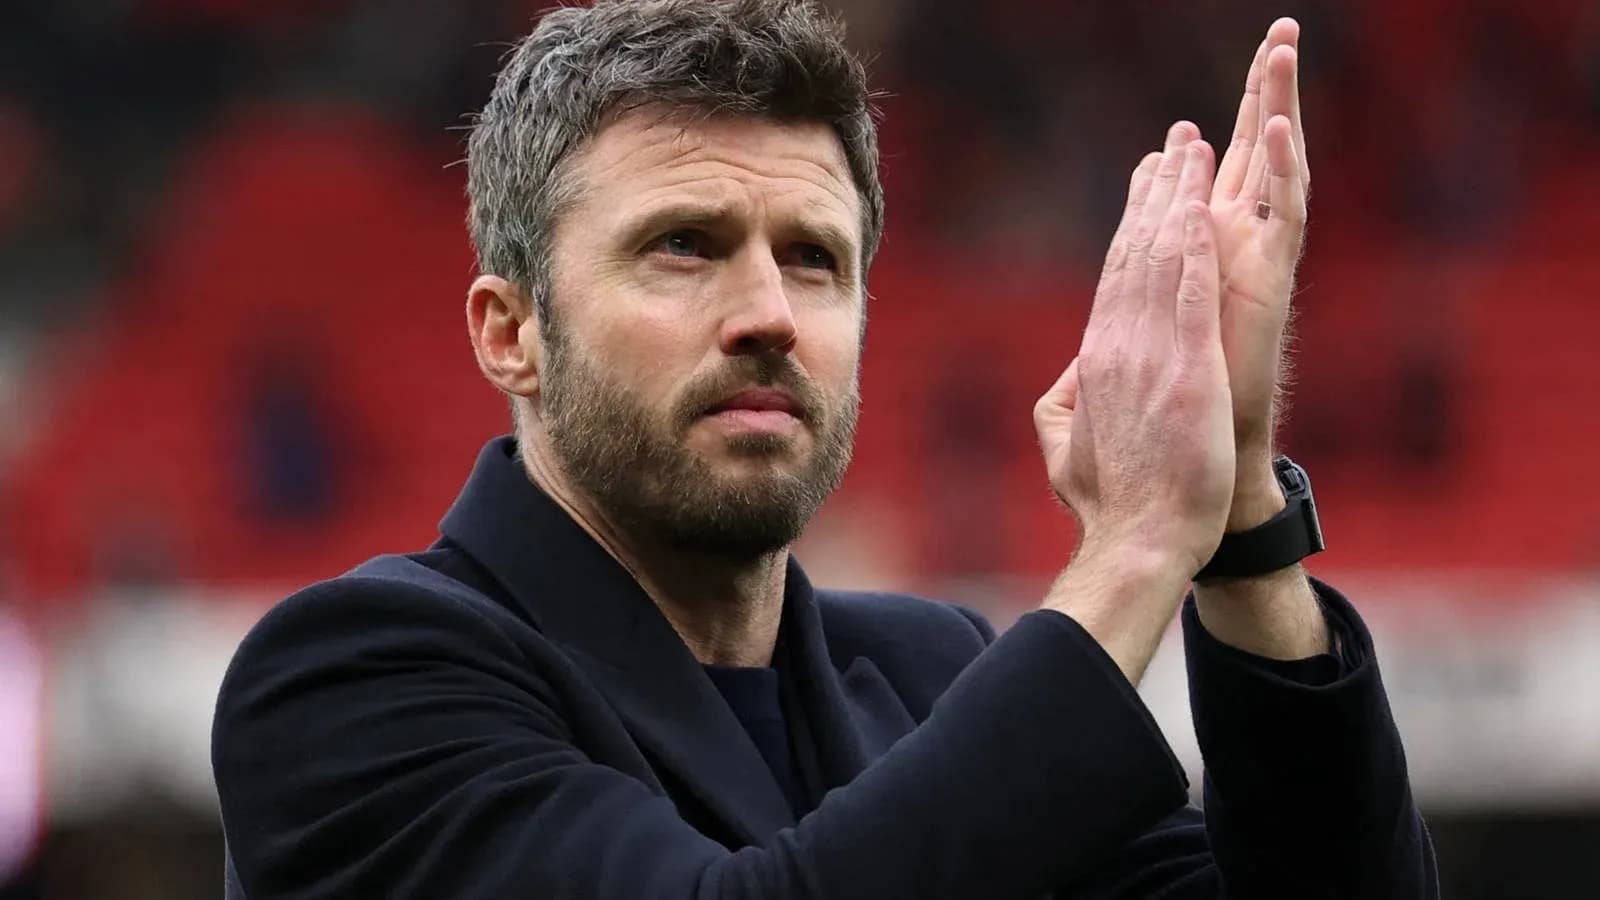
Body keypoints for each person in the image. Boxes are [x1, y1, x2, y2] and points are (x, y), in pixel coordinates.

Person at [210, 2, 1439, 897]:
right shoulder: (350, 683)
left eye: (814, 258)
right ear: (512, 331)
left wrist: (1239, 542)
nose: (770, 314)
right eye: (682, 245)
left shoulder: (934, 675)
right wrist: (1129, 554)